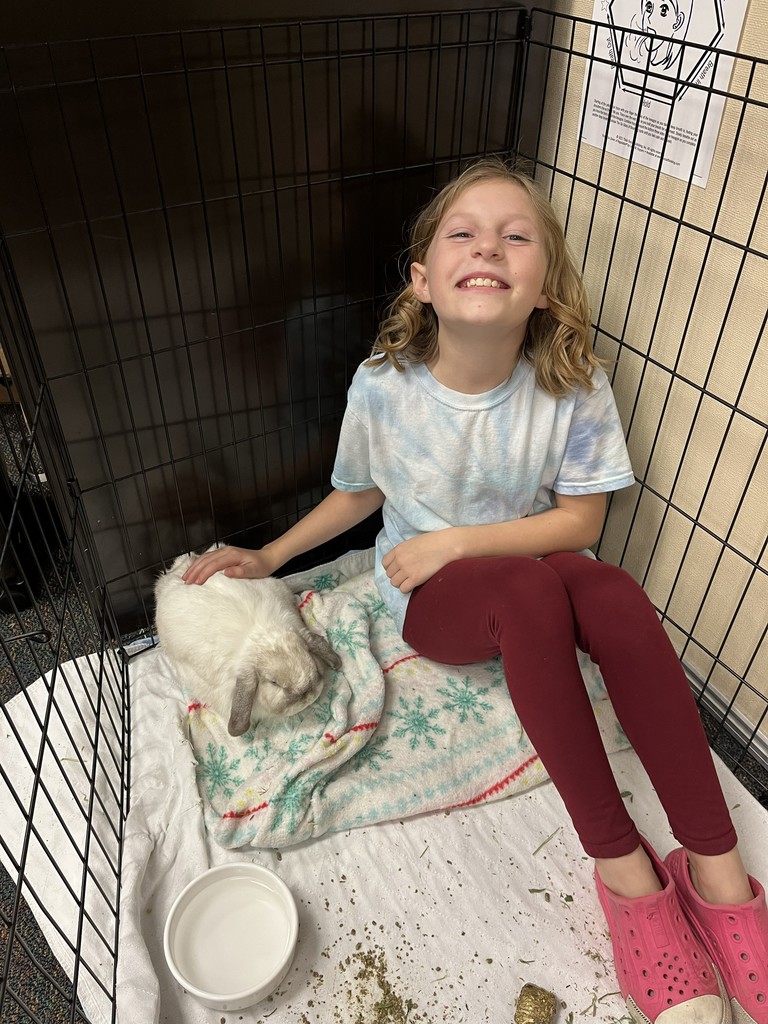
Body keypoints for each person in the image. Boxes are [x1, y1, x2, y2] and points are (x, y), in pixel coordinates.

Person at [181, 157, 768, 1024]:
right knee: (533, 598)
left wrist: (460, 536)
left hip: (515, 561)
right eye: (463, 231)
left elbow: (580, 525)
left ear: (542, 286)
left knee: (611, 594)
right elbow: (358, 494)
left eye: (515, 234)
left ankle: (719, 875)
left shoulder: (574, 384)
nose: (488, 244)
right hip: (436, 599)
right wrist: (270, 559)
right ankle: (626, 874)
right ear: (423, 281)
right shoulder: (383, 384)